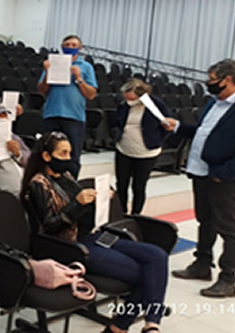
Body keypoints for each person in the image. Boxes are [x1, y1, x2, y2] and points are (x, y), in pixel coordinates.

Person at [21, 132, 169, 333]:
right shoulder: (38, 184)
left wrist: (100, 200)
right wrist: (77, 204)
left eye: (69, 153)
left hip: (91, 235)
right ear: (47, 156)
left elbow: (84, 216)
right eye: (63, 153)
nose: (68, 158)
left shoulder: (66, 177)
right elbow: (49, 227)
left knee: (157, 256)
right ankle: (126, 327)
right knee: (148, 275)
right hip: (69, 246)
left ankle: (149, 323)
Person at [165, 59, 235, 298]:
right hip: (200, 171)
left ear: (228, 79)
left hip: (222, 178)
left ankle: (228, 279)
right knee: (205, 221)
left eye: (212, 79)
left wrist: (224, 175)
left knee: (228, 228)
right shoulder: (214, 102)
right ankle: (202, 264)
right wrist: (178, 127)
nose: (208, 83)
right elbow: (202, 132)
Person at [37, 35, 97, 178]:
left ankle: (70, 186)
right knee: (47, 152)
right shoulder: (52, 63)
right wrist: (47, 72)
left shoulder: (86, 67)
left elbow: (91, 94)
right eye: (67, 44)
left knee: (73, 155)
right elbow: (42, 90)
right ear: (62, 46)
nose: (70, 47)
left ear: (80, 48)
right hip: (51, 114)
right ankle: (46, 184)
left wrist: (79, 78)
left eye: (73, 45)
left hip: (74, 117)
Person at [113, 79, 172, 214]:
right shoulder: (124, 105)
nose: (127, 99)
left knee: (138, 186)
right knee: (121, 184)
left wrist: (157, 139)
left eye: (130, 97)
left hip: (146, 153)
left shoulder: (156, 105)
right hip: (123, 149)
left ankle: (136, 214)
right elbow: (118, 122)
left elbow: (168, 124)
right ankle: (121, 212)